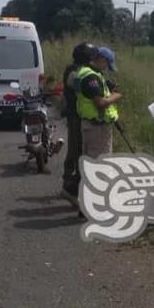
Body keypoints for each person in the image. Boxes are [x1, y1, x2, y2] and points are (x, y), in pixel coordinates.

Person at [61, 42, 97, 202]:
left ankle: (74, 184)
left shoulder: (81, 71)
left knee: (79, 150)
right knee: (76, 150)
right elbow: (80, 88)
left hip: (80, 116)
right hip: (76, 116)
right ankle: (70, 184)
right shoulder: (73, 73)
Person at [74, 46, 122, 159]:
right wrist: (116, 96)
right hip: (97, 128)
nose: (106, 68)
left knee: (91, 164)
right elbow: (100, 103)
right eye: (107, 65)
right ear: (102, 59)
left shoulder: (84, 72)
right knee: (101, 164)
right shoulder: (91, 77)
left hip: (90, 125)